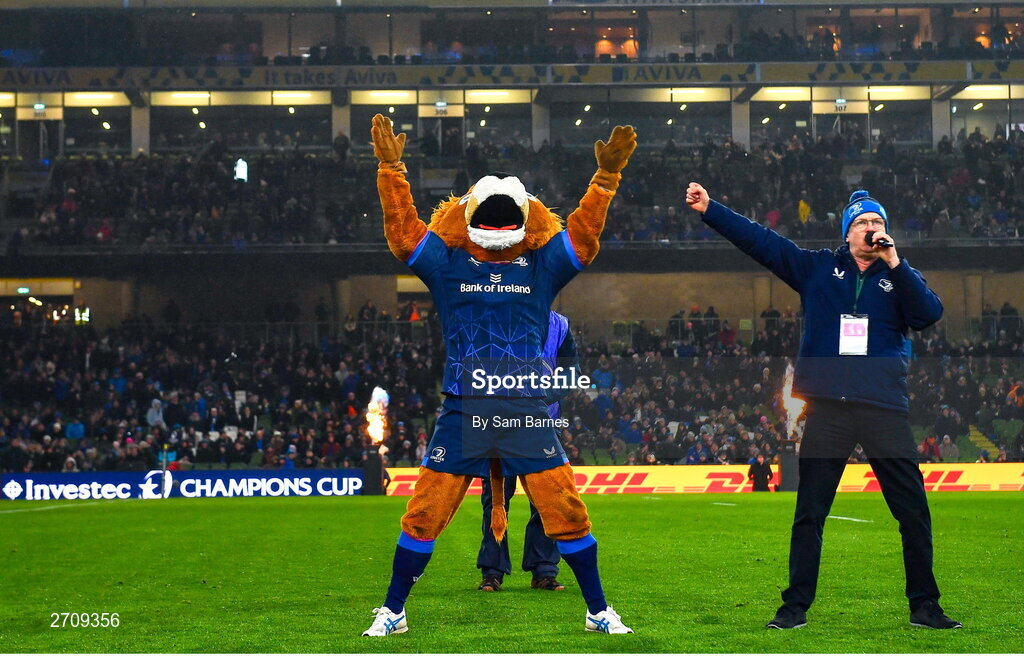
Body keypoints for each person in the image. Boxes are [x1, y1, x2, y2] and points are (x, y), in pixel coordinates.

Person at [686, 183, 961, 631]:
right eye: (863, 223)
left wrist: (896, 262)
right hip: (828, 410)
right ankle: (794, 608)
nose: (873, 229)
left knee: (913, 512)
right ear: (847, 233)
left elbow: (929, 314)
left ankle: (925, 606)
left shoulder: (900, 277)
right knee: (810, 513)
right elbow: (761, 241)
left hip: (883, 409)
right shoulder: (815, 268)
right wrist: (711, 209)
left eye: (879, 223)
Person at [477, 312, 576, 593]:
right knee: (495, 499)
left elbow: (571, 371)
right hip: (499, 422)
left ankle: (544, 570)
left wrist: (543, 397)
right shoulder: (493, 318)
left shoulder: (560, 324)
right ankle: (492, 572)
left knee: (548, 499)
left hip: (543, 421)